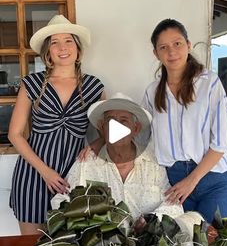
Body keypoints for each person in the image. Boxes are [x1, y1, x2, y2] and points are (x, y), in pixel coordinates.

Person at [8, 14, 105, 235]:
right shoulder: (32, 84)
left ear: (78, 49)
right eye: (55, 42)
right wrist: (45, 172)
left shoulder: (93, 86)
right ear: (48, 52)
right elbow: (15, 134)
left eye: (68, 40)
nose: (62, 47)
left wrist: (94, 145)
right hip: (33, 175)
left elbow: (111, 132)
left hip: (74, 177)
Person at [142, 18, 227, 223]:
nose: (171, 51)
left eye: (177, 43)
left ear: (188, 45)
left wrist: (191, 181)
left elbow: (222, 141)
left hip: (213, 180)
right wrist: (98, 144)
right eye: (163, 47)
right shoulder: (152, 92)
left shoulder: (209, 83)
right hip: (174, 182)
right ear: (156, 53)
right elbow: (141, 134)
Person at [51, 93, 184, 222]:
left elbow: (173, 205)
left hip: (146, 241)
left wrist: (149, 222)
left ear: (136, 128)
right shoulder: (86, 161)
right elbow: (61, 200)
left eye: (123, 121)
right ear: (103, 128)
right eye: (110, 121)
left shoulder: (153, 161)